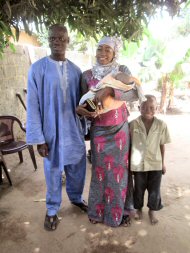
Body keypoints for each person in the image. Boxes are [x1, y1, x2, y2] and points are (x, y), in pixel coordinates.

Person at [26, 24, 87, 231]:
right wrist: (39, 139)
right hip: (50, 132)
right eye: (52, 38)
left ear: (68, 40)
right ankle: (52, 209)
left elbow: (83, 103)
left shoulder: (76, 71)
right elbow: (33, 106)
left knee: (77, 167)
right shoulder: (37, 69)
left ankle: (77, 198)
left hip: (73, 130)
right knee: (52, 170)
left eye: (61, 38)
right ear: (48, 41)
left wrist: (86, 127)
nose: (56, 42)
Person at [76, 36, 138, 227]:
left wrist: (111, 91)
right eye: (99, 49)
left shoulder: (122, 71)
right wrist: (83, 111)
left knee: (120, 172)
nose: (102, 54)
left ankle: (123, 211)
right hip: (99, 132)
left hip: (120, 129)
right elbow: (82, 103)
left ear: (114, 52)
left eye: (107, 50)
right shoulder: (86, 75)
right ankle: (97, 211)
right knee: (100, 172)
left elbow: (134, 92)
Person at [129, 95, 171, 224]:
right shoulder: (132, 124)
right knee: (139, 189)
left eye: (152, 107)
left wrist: (163, 163)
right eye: (144, 107)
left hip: (155, 164)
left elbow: (162, 145)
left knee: (154, 190)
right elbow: (129, 146)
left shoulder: (161, 125)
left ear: (157, 108)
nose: (148, 110)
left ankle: (152, 210)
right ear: (138, 108)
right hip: (138, 165)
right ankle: (139, 209)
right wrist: (128, 164)